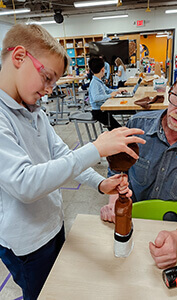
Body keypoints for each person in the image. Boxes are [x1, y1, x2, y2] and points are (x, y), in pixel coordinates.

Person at [0, 24, 146, 300]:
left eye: (53, 82)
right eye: (46, 77)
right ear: (19, 57)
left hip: (52, 224)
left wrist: (101, 183)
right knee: (42, 293)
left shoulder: (34, 111)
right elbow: (24, 184)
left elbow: (62, 154)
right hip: (26, 244)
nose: (49, 89)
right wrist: (96, 148)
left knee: (60, 287)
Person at [101, 52, 177, 268]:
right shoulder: (138, 126)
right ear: (170, 87)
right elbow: (117, 172)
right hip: (131, 232)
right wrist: (112, 202)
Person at [89, 56, 126, 130]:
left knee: (117, 127)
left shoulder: (99, 81)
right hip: (98, 112)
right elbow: (96, 98)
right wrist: (109, 95)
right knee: (117, 128)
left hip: (103, 109)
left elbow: (107, 90)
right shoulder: (94, 83)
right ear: (103, 69)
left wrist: (117, 91)